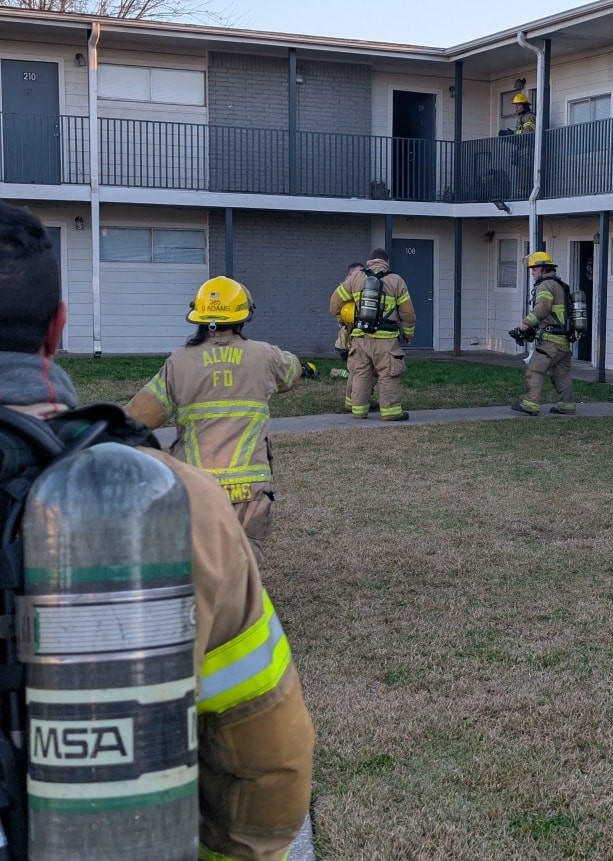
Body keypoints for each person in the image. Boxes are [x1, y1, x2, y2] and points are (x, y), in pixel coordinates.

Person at [0, 201, 314, 861]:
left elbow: (143, 407)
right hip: (229, 499)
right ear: (55, 328)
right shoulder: (168, 497)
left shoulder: (178, 363)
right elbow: (270, 755)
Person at [125, 275, 302, 562]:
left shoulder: (179, 362)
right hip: (250, 489)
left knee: (200, 560)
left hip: (197, 487)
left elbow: (140, 416)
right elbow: (292, 372)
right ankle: (242, 603)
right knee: (245, 558)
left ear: (199, 317)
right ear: (242, 317)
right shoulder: (263, 355)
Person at [328, 248, 416, 421]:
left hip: (360, 338)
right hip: (386, 341)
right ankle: (391, 412)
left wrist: (342, 319)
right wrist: (407, 334)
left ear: (369, 262)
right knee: (388, 374)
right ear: (387, 262)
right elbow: (408, 314)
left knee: (360, 373)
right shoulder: (396, 281)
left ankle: (359, 411)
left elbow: (334, 303)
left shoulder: (356, 278)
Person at [511, 250, 577, 416]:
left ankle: (531, 405)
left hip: (550, 342)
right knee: (561, 375)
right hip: (563, 342)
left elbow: (543, 308)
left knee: (534, 370)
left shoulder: (546, 285)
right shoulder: (559, 285)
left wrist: (526, 324)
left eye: (534, 268)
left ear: (544, 268)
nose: (532, 272)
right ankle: (567, 406)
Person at [331, 262, 362, 408]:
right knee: (359, 371)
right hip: (348, 341)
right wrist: (341, 319)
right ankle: (355, 401)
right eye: (356, 273)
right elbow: (336, 307)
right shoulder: (345, 290)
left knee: (362, 370)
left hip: (360, 339)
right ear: (349, 276)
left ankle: (360, 399)